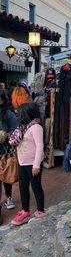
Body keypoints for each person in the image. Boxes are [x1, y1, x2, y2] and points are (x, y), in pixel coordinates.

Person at [9, 102, 45, 225]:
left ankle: (41, 210)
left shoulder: (36, 127)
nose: (18, 116)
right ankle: (25, 211)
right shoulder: (23, 128)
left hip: (33, 164)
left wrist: (36, 165)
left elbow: (40, 146)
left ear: (27, 114)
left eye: (20, 114)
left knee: (36, 187)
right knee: (23, 187)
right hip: (22, 163)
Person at [0, 89, 17, 225]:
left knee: (6, 177)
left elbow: (15, 131)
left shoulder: (9, 114)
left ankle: (9, 197)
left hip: (4, 153)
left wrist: (5, 135)